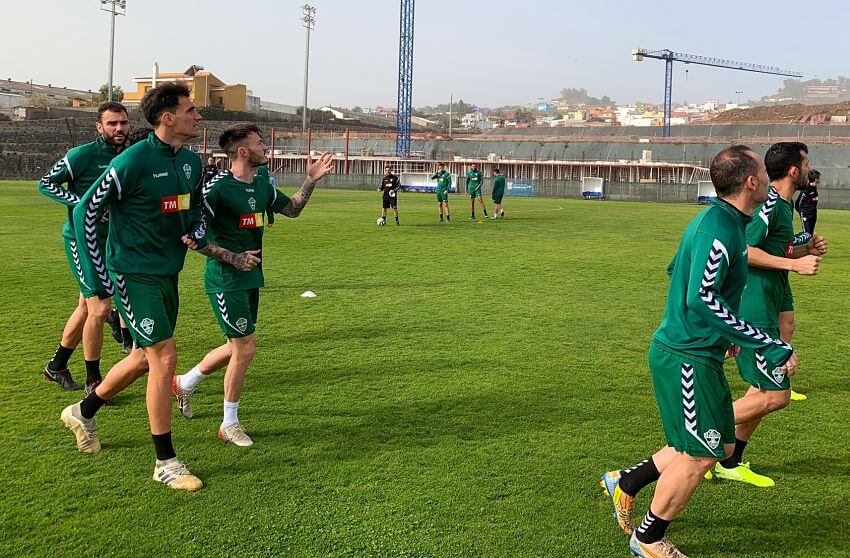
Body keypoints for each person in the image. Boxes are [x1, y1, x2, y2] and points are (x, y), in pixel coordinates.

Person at [60, 83, 259, 491]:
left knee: (141, 359)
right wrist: (97, 279)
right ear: (167, 117)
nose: (197, 117)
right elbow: (84, 211)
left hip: (168, 272)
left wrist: (197, 233)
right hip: (132, 273)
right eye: (190, 110)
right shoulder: (131, 160)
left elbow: (196, 211)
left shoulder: (189, 162)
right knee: (165, 358)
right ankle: (165, 461)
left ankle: (83, 410)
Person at [600, 146, 796, 557]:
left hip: (697, 352)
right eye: (761, 169)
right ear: (750, 181)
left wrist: (718, 337)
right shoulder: (720, 229)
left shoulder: (728, 223)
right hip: (686, 357)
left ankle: (628, 482)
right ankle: (649, 540)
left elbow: (678, 269)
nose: (766, 175)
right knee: (700, 454)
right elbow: (701, 297)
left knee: (718, 446)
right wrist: (767, 341)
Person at [172, 124, 334, 447]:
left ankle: (185, 382)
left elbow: (294, 209)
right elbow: (193, 237)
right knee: (245, 348)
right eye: (260, 144)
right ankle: (228, 424)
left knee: (236, 347)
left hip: (251, 278)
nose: (266, 148)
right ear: (243, 151)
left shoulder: (261, 185)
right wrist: (234, 258)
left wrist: (310, 180)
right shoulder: (216, 190)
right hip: (224, 280)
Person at [706, 142, 827, 487]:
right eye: (806, 163)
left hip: (773, 295)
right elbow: (743, 250)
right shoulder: (771, 205)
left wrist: (804, 249)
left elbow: (776, 246)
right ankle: (702, 431)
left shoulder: (784, 205)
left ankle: (730, 460)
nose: (808, 169)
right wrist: (794, 262)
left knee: (764, 390)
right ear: (794, 169)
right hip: (755, 301)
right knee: (775, 396)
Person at [38, 102, 129, 392]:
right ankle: (94, 380)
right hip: (81, 241)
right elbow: (46, 183)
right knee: (100, 307)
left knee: (85, 307)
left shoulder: (127, 156)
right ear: (99, 127)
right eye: (112, 123)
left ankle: (56, 366)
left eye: (123, 123)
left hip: (111, 242)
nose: (119, 128)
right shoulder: (82, 155)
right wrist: (83, 205)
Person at [795, 169, 820, 235]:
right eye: (819, 177)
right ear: (816, 179)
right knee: (806, 234)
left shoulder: (814, 189)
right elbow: (797, 203)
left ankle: (810, 245)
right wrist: (802, 213)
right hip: (806, 215)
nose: (820, 179)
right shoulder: (806, 189)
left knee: (811, 234)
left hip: (813, 215)